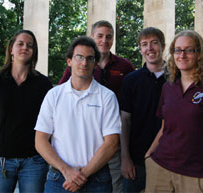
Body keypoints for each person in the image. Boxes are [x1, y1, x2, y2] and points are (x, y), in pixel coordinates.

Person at [144, 30, 203, 193]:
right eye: (178, 50)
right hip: (159, 170)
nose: (182, 55)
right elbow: (165, 128)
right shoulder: (168, 87)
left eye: (189, 50)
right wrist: (149, 156)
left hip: (196, 177)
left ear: (200, 54)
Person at [34, 36, 121, 193]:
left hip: (97, 181)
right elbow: (40, 140)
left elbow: (112, 143)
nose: (84, 63)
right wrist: (67, 171)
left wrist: (82, 175)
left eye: (90, 58)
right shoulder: (53, 95)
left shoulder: (107, 97)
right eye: (79, 57)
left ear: (95, 64)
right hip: (59, 179)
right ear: (69, 61)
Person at [58, 20, 135, 193]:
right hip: (86, 138)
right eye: (100, 36)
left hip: (113, 137)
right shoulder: (77, 66)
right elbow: (63, 95)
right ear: (92, 37)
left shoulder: (126, 66)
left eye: (109, 37)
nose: (104, 40)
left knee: (115, 184)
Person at [0, 30, 52, 193]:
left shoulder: (43, 84)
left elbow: (53, 121)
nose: (25, 48)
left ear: (34, 51)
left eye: (30, 45)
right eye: (20, 44)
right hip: (1, 161)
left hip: (34, 161)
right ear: (11, 49)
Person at [119, 27, 166, 193]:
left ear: (163, 46)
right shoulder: (131, 80)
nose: (150, 48)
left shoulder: (177, 79)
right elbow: (125, 120)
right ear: (140, 49)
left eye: (154, 43)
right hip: (137, 160)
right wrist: (125, 157)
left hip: (170, 160)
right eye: (144, 44)